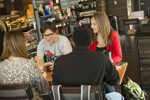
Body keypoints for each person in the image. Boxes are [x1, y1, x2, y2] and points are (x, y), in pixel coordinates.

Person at [52, 27, 124, 100]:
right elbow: (116, 81)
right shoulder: (101, 58)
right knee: (118, 96)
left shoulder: (59, 61)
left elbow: (56, 84)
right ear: (91, 42)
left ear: (73, 42)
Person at [0, 31, 49, 100]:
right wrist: (44, 77)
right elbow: (43, 90)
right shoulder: (29, 64)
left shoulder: (1, 66)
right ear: (20, 44)